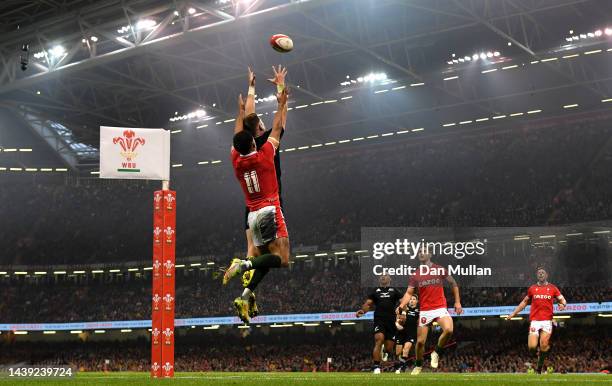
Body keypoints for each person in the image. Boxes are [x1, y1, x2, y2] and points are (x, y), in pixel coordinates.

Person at [223, 85, 290, 324]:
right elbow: (279, 125)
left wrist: (241, 109)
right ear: (254, 139)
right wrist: (281, 100)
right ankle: (244, 265)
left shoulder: (235, 159)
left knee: (263, 255)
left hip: (251, 212)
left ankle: (246, 295)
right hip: (270, 208)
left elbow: (239, 132)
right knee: (281, 259)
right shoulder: (265, 154)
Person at [397, 251, 463, 375]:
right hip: (425, 310)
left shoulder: (439, 269)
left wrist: (457, 302)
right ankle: (418, 365)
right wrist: (401, 305)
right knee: (420, 342)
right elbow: (409, 293)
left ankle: (436, 352)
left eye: (424, 251)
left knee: (449, 330)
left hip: (440, 307)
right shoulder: (415, 274)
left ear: (430, 255)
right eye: (419, 252)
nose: (421, 253)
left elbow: (453, 283)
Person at [506, 267, 567, 373]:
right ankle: (540, 352)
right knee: (532, 347)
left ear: (547, 275)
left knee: (543, 344)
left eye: (543, 273)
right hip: (535, 320)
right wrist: (513, 314)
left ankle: (539, 366)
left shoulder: (553, 288)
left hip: (547, 321)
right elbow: (524, 302)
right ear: (537, 275)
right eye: (539, 273)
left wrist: (562, 305)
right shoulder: (532, 289)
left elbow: (562, 300)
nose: (541, 274)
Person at [356, 274, 402, 374]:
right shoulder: (375, 291)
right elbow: (368, 304)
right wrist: (363, 311)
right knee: (379, 339)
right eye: (381, 276)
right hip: (379, 319)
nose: (383, 277)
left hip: (391, 321)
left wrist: (403, 312)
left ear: (390, 279)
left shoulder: (395, 291)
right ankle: (376, 366)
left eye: (385, 276)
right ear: (379, 279)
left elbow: (403, 302)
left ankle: (385, 352)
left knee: (389, 348)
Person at [393, 294, 419, 373]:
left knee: (406, 350)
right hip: (400, 332)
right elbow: (397, 319)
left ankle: (402, 368)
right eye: (410, 299)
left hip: (411, 333)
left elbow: (419, 323)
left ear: (417, 301)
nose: (411, 300)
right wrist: (397, 325)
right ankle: (401, 365)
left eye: (414, 299)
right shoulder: (403, 308)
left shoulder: (419, 311)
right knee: (398, 352)